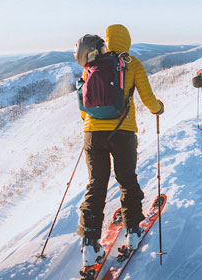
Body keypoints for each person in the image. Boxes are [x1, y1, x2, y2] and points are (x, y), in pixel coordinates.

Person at [74, 24, 164, 267]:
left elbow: (84, 104)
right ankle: (133, 230)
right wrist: (159, 109)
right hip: (123, 132)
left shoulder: (92, 64)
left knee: (96, 185)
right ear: (127, 42)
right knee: (126, 179)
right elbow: (148, 99)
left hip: (92, 134)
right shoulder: (131, 63)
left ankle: (90, 246)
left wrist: (92, 126)